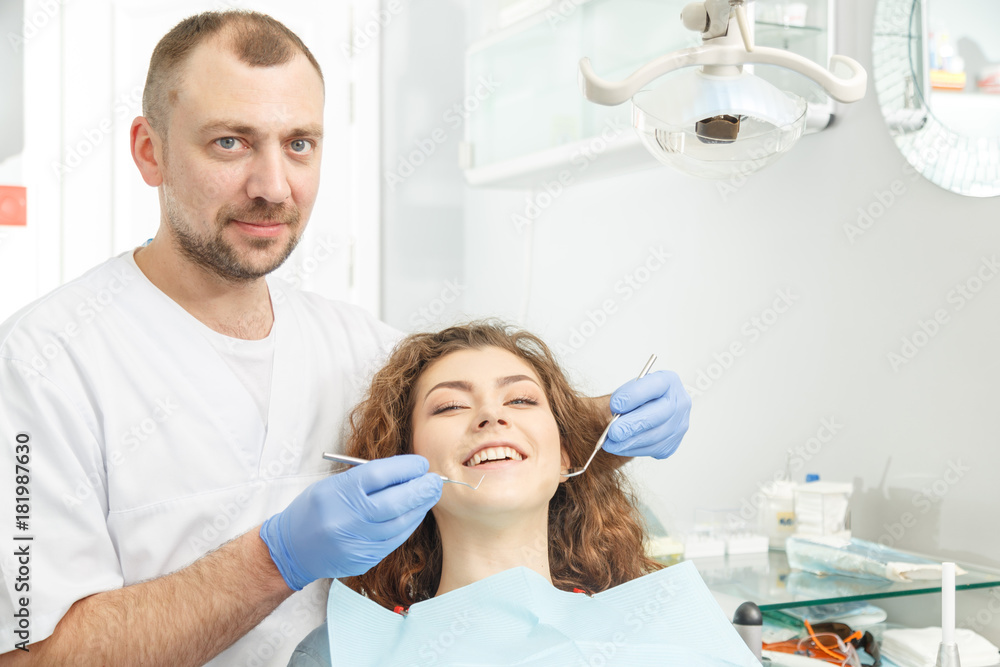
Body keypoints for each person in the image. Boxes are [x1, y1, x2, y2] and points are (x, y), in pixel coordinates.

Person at [0, 10, 691, 667]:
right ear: (150, 152)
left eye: (299, 143)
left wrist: (598, 424)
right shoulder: (43, 365)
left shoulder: (361, 347)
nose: (273, 186)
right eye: (230, 142)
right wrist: (276, 560)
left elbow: (483, 444)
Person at [287, 321, 665, 666]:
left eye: (521, 400)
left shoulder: (654, 633)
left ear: (565, 456)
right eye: (451, 406)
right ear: (403, 465)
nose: (491, 415)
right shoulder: (341, 655)